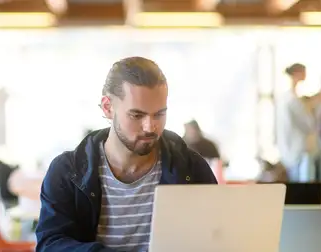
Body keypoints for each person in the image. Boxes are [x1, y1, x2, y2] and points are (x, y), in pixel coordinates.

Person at [35, 56, 217, 252]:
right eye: (137, 115)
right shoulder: (66, 171)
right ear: (108, 107)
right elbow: (50, 245)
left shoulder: (192, 167)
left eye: (159, 114)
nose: (150, 127)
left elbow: (216, 237)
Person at [276, 63, 320, 181]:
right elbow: (308, 124)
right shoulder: (291, 100)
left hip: (292, 151)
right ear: (297, 73)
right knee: (302, 189)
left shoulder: (288, 98)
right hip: (297, 151)